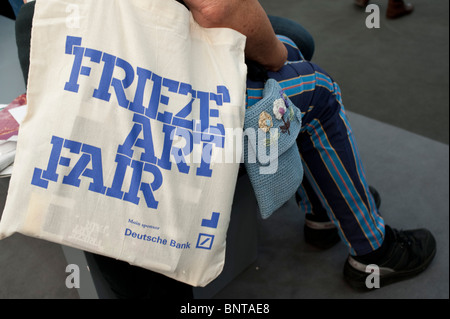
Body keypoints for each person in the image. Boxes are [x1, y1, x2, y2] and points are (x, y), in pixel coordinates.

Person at [14, 0, 435, 296]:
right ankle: (372, 251)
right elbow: (218, 8)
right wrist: (274, 56)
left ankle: (324, 214)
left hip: (87, 81)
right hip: (165, 96)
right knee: (314, 88)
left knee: (297, 37)